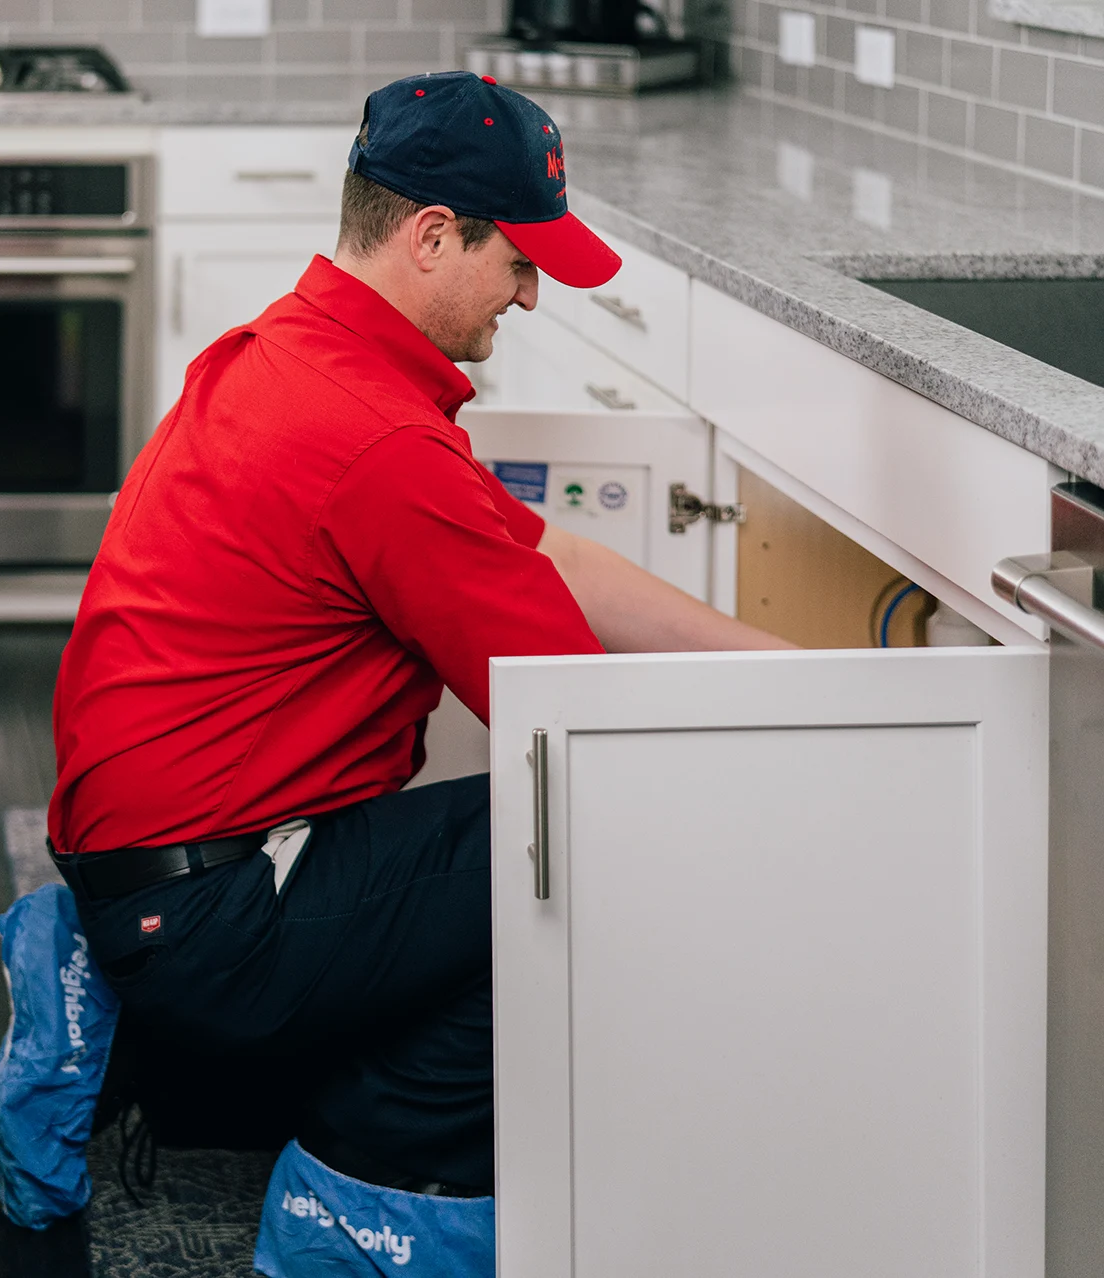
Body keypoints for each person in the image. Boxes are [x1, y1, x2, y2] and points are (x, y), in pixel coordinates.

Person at [46, 70, 789, 1196]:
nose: (532, 297)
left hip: (152, 869)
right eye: (521, 262)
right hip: (215, 912)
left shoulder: (292, 350)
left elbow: (549, 557)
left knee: (500, 862)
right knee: (608, 831)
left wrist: (792, 678)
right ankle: (371, 1187)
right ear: (434, 237)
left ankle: (120, 1027)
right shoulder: (378, 444)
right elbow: (573, 724)